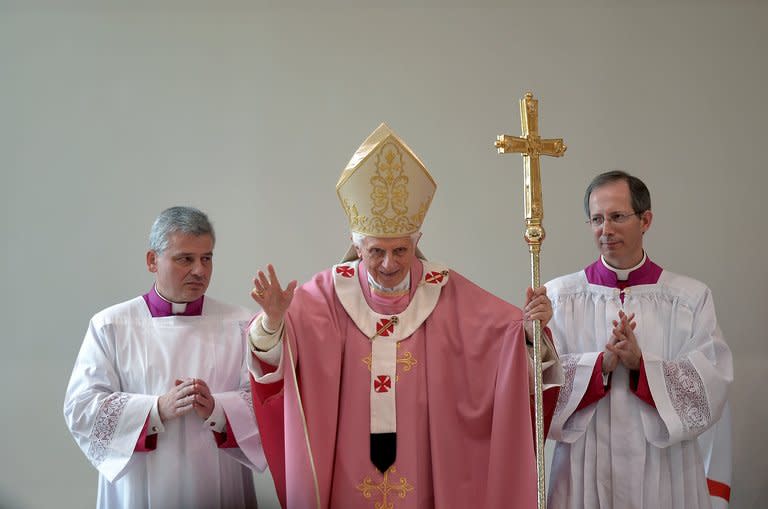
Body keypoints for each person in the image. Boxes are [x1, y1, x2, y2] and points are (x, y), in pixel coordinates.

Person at [246, 123, 563, 509]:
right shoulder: (326, 296)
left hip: (426, 471)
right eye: (376, 251)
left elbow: (507, 345)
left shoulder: (446, 292)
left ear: (418, 242)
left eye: (400, 251)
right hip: (346, 475)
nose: (388, 263)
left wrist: (531, 330)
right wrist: (272, 325)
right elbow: (272, 359)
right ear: (356, 244)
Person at [545, 170, 733, 509]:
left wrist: (641, 367)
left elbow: (711, 384)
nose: (606, 229)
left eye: (617, 216)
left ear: (645, 220)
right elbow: (540, 386)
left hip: (664, 467)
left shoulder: (688, 298)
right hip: (584, 463)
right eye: (597, 219)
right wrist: (599, 365)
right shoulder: (559, 297)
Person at [63, 206, 266, 509]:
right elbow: (81, 408)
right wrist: (155, 409)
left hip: (216, 481)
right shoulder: (111, 325)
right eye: (186, 258)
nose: (199, 270)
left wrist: (219, 409)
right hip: (139, 488)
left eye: (206, 258)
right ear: (152, 261)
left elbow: (265, 402)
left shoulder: (241, 323)